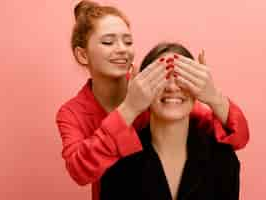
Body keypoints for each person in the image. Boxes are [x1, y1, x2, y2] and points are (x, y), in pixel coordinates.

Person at [56, 1, 248, 200]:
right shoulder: (72, 113)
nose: (122, 49)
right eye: (108, 42)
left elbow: (237, 135)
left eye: (128, 42)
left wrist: (212, 96)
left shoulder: (157, 90)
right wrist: (131, 106)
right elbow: (80, 169)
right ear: (82, 54)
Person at [100, 42, 240, 200]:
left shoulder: (222, 159)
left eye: (182, 78)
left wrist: (214, 96)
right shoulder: (118, 164)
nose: (172, 87)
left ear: (199, 89)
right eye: (162, 77)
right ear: (141, 89)